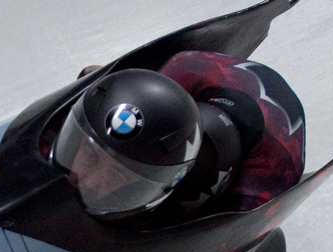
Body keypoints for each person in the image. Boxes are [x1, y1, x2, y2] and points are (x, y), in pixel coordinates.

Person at [54, 52, 306, 221]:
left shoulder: (274, 172)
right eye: (90, 155)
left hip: (279, 141)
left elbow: (234, 235)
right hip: (203, 72)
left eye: (116, 174)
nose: (86, 180)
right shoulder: (182, 70)